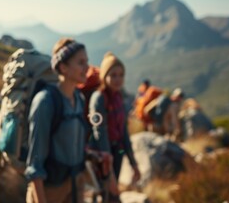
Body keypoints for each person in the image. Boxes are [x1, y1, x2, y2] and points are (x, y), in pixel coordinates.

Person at [24, 38, 89, 203]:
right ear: (63, 67)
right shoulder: (46, 101)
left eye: (86, 62)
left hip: (75, 185)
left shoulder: (79, 99)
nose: (87, 68)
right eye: (81, 62)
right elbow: (35, 162)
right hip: (49, 190)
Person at [89, 52, 141, 201]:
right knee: (107, 194)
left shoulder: (118, 97)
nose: (118, 79)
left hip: (116, 152)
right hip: (101, 156)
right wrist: (109, 171)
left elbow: (123, 131)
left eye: (121, 75)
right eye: (113, 75)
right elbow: (100, 132)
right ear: (104, 76)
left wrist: (133, 163)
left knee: (111, 194)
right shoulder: (98, 99)